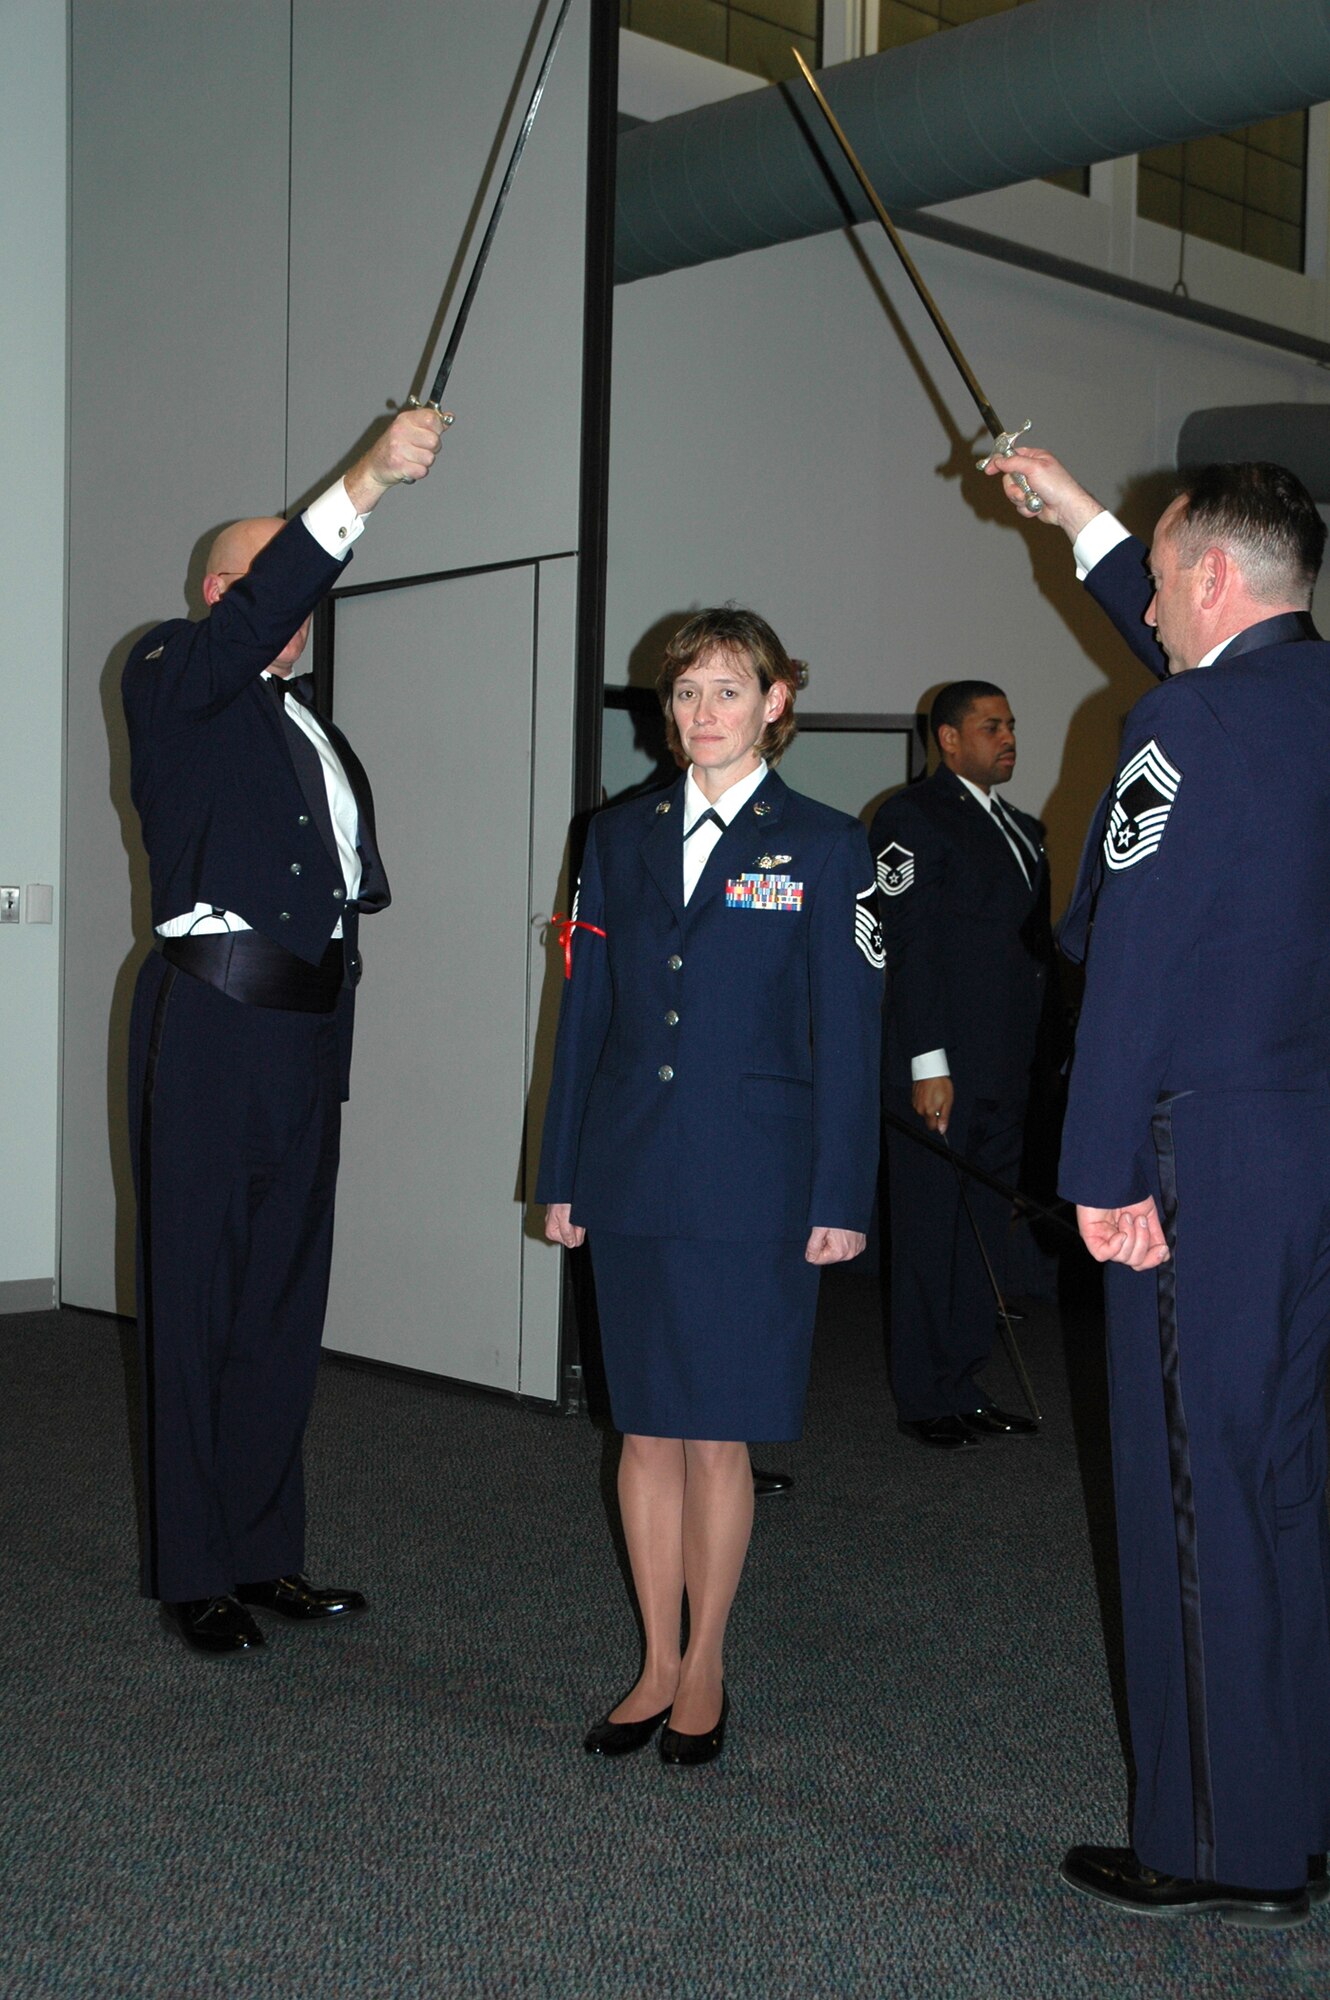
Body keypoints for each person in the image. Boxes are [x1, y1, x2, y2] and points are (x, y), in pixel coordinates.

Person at [986, 440, 1330, 1927]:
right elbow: (1209, 643)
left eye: (1163, 574)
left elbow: (1123, 958)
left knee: (1193, 1493)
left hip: (1199, 1156)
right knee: (1282, 1482)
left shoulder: (1182, 723)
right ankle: (1289, 1803)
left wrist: (1094, 1171)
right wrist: (1079, 521)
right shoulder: (1300, 695)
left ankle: (1214, 1844)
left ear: (1205, 576)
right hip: (1306, 1146)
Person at [123, 403, 445, 1656]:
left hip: (309, 1037)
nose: (297, 614)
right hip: (212, 1021)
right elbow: (260, 613)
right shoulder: (172, 672)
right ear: (221, 592)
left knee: (277, 1303)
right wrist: (363, 483)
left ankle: (264, 1552)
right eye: (271, 588)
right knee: (198, 1297)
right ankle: (190, 1570)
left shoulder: (307, 719)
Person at [538, 608, 882, 1765]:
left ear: (776, 700)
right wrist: (562, 1173)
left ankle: (707, 1660)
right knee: (643, 1428)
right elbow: (583, 1015)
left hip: (757, 1178)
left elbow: (850, 1031)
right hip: (631, 1167)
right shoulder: (614, 836)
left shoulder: (828, 845)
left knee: (717, 1438)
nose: (702, 713)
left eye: (727, 690)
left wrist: (841, 1193)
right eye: (684, 692)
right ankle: (650, 1655)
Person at [870, 683, 1049, 1449]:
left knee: (983, 1231)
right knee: (928, 1229)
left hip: (1005, 1068)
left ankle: (965, 1383)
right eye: (990, 725)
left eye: (1010, 724)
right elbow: (908, 944)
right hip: (939, 1068)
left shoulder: (1027, 829)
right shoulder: (911, 817)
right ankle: (923, 1397)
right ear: (947, 739)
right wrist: (927, 1061)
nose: (1007, 736)